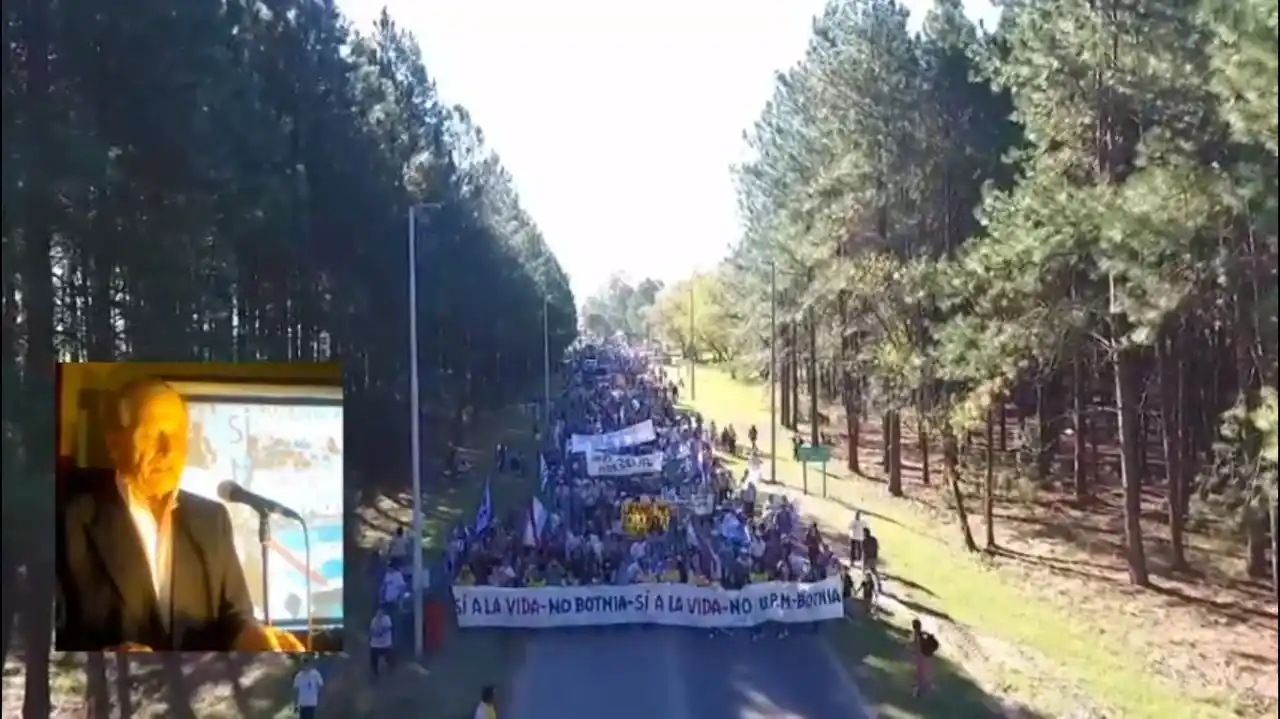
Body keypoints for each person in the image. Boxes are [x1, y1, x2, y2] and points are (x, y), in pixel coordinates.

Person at [55, 378, 303, 652]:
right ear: (114, 444)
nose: (168, 450)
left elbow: (236, 617)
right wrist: (104, 661)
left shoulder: (212, 519)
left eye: (178, 435)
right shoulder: (67, 521)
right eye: (152, 435)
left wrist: (251, 637)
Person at [911, 618, 939, 697]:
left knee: (919, 642)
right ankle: (920, 630)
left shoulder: (921, 681)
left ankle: (919, 630)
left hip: (924, 655)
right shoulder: (922, 681)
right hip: (924, 654)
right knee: (919, 642)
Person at [369, 606, 394, 677]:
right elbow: (372, 630)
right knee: (374, 658)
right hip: (375, 644)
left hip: (386, 643)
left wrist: (380, 632)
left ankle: (390, 667)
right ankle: (375, 671)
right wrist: (374, 633)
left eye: (380, 611)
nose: (379, 613)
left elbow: (388, 628)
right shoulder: (374, 620)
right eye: (378, 611)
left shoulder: (387, 618)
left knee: (389, 657)